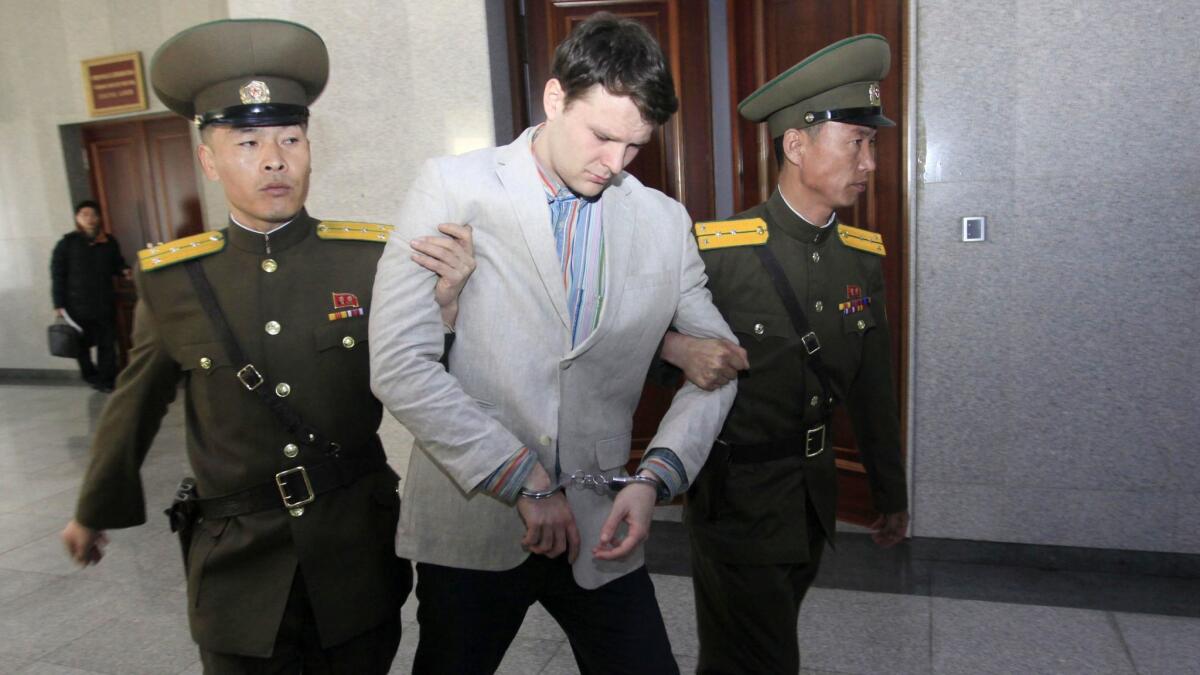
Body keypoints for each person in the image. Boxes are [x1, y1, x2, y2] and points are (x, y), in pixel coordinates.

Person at [59, 19, 474, 673]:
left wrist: (448, 312)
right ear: (209, 159)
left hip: (353, 554)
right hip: (238, 566)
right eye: (247, 141)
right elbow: (133, 403)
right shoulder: (173, 277)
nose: (275, 159)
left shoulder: (370, 258)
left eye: (290, 138)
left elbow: (428, 378)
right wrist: (94, 508)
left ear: (310, 147)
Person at [368, 12, 739, 675]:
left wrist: (656, 478)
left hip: (603, 521)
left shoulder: (661, 219)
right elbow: (399, 362)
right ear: (553, 98)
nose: (616, 164)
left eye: (635, 146)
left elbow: (720, 363)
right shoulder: (455, 187)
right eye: (601, 136)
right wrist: (524, 480)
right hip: (475, 517)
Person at [660, 34, 911, 674]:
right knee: (766, 659)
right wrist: (679, 347)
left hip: (810, 499)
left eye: (872, 144)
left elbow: (874, 386)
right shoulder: (717, 251)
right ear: (796, 145)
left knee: (738, 657)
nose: (870, 163)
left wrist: (889, 490)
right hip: (737, 502)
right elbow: (635, 349)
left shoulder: (863, 255)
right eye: (855, 142)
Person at [50, 199, 130, 392]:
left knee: (107, 343)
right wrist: (58, 303)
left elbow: (117, 264)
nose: (90, 219)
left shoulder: (109, 242)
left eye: (93, 215)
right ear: (78, 219)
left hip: (104, 302)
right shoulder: (67, 244)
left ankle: (106, 380)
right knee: (80, 345)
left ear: (99, 217)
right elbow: (57, 274)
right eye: (84, 215)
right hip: (76, 304)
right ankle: (90, 375)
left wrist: (124, 271)